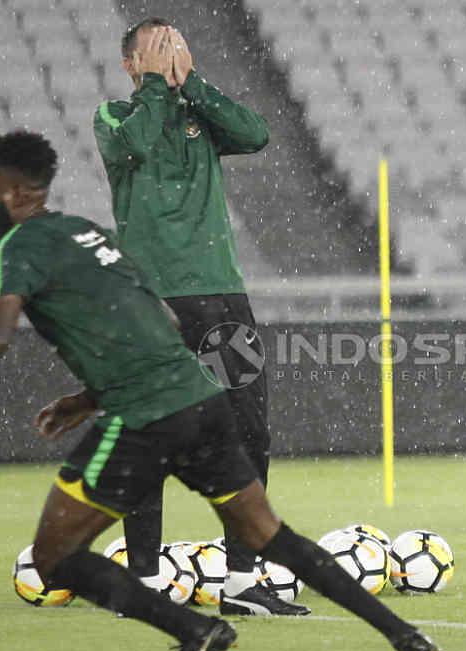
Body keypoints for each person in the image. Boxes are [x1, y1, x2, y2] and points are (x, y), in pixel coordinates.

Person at [0, 130, 451, 651]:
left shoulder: (23, 244)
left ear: (20, 192)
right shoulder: (85, 234)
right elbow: (165, 320)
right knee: (272, 536)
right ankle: (406, 638)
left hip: (146, 416)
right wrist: (85, 397)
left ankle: (195, 629)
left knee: (54, 556)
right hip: (202, 400)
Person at [92, 19, 303, 615]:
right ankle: (146, 581)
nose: (169, 56)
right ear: (130, 65)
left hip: (221, 296)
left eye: (176, 46)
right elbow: (133, 143)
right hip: (148, 300)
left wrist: (193, 84)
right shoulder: (113, 116)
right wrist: (160, 88)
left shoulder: (198, 113)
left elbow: (255, 133)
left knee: (249, 433)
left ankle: (240, 581)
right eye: (156, 50)